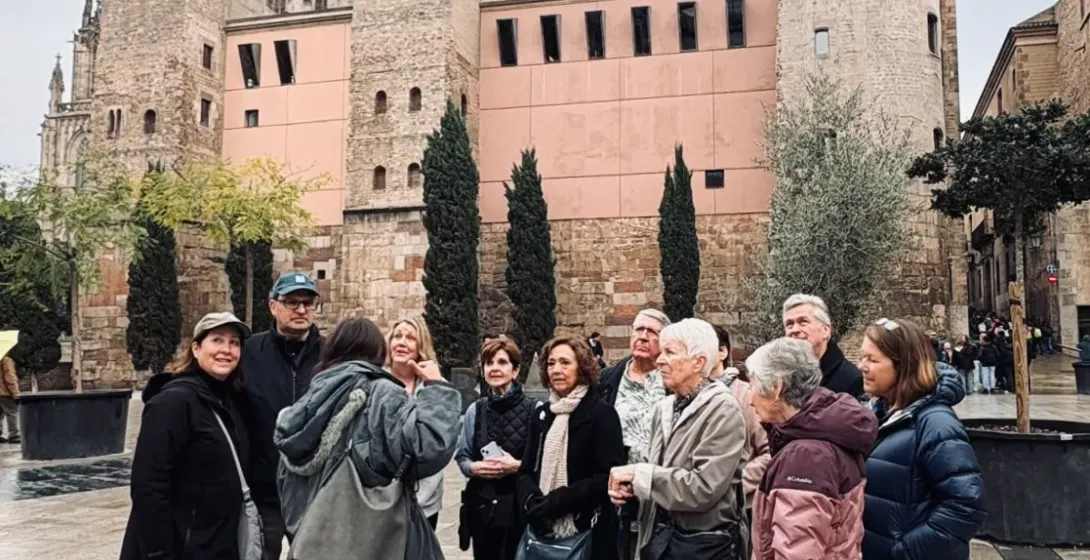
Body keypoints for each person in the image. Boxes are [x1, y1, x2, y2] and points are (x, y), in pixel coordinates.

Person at [276, 317, 461, 558]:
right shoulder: (383, 393)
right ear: (378, 350)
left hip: (314, 540)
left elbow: (286, 479)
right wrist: (437, 388)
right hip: (373, 542)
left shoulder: (312, 394)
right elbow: (430, 448)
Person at [607, 318, 748, 559]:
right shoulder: (665, 408)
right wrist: (632, 492)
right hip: (660, 542)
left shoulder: (723, 409)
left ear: (699, 362)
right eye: (661, 352)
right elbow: (658, 477)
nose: (659, 359)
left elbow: (703, 488)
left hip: (701, 547)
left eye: (669, 352)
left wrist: (641, 475)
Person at [120, 312, 253, 560]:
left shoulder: (230, 402)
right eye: (217, 340)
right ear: (196, 348)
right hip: (179, 548)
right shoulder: (174, 402)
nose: (227, 349)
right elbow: (148, 484)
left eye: (234, 342)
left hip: (216, 544)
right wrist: (158, 551)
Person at [859, 318, 986, 560]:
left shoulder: (936, 423)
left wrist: (904, 552)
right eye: (863, 357)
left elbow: (966, 506)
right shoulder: (877, 415)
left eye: (872, 360)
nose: (862, 366)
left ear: (903, 366)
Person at [745, 337, 877, 560]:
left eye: (753, 385)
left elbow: (797, 551)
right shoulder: (821, 434)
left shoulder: (806, 457)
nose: (749, 398)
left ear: (777, 388)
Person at [238, 271, 324, 560]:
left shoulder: (331, 356)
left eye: (308, 303)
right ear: (273, 306)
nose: (301, 309)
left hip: (315, 491)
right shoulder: (249, 352)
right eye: (292, 302)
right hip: (264, 490)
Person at [517, 337, 625, 560]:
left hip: (588, 529)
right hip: (542, 528)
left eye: (565, 363)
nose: (556, 369)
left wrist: (558, 501)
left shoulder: (601, 414)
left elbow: (609, 475)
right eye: (551, 363)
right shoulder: (542, 414)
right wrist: (531, 500)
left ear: (582, 367)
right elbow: (526, 470)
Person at [597, 308, 671, 558]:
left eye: (652, 332)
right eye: (638, 329)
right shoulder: (608, 380)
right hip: (617, 494)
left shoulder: (672, 382)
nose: (642, 336)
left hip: (661, 494)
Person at [456, 338, 539, 559]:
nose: (494, 368)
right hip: (484, 509)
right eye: (489, 363)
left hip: (520, 507)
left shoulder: (535, 410)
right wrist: (473, 468)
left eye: (502, 362)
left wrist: (518, 466)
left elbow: (544, 463)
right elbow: (462, 456)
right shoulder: (476, 410)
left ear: (515, 370)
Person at [387, 317, 446, 527]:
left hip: (424, 500)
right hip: (380, 500)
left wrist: (435, 385)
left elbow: (444, 439)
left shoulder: (436, 385)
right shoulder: (375, 382)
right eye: (397, 336)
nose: (402, 342)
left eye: (410, 338)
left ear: (421, 345)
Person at [711, 324, 769, 513]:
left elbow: (770, 454)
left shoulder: (747, 395)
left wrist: (731, 489)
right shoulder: (681, 398)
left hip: (739, 510)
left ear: (722, 352)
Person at [781, 294, 864, 397]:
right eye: (789, 324)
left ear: (825, 330)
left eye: (803, 322)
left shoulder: (853, 380)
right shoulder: (783, 379)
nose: (794, 330)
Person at [0, 355, 19, 444]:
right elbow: (10, 377)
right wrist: (15, 393)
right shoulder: (5, 359)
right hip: (4, 392)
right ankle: (14, 435)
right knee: (12, 412)